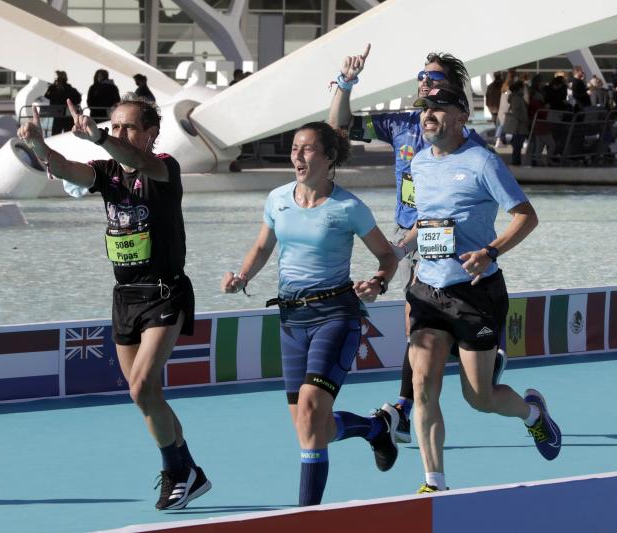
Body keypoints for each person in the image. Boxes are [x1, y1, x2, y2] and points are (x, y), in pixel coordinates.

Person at [17, 94, 210, 511]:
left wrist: (102, 136)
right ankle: (190, 469)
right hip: (125, 297)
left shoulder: (164, 169)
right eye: (115, 125)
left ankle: (176, 470)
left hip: (164, 292)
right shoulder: (106, 172)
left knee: (141, 388)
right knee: (146, 394)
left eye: (128, 127)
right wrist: (35, 143)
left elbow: (136, 160)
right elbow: (65, 168)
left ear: (150, 133)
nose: (120, 133)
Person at [328, 45, 507, 446]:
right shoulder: (401, 124)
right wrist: (345, 82)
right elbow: (340, 127)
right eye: (421, 76)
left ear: (455, 93)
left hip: (455, 249)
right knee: (418, 326)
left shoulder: (470, 144)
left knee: (426, 327)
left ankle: (422, 397)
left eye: (434, 77)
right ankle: (411, 407)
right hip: (414, 236)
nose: (424, 81)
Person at [221, 121, 399, 506]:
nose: (297, 157)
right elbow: (263, 247)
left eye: (307, 149)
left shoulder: (349, 208)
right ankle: (374, 428)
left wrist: (379, 282)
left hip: (335, 315)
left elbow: (386, 254)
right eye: (294, 149)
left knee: (311, 408)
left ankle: (307, 516)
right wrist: (242, 275)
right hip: (290, 321)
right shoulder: (277, 199)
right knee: (309, 428)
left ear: (329, 157)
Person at [394, 85, 561, 493]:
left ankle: (533, 415)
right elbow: (426, 223)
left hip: (475, 292)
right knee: (422, 383)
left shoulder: (483, 162)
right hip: (428, 291)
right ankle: (434, 482)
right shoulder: (418, 163)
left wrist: (490, 251)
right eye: (423, 109)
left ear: (461, 116)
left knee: (480, 398)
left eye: (437, 108)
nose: (427, 115)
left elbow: (526, 216)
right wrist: (392, 258)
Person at [44, 70, 82, 135]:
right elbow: (78, 99)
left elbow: (47, 95)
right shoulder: (70, 89)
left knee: (56, 133)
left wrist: (52, 85)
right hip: (67, 114)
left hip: (57, 114)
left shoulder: (54, 88)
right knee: (68, 133)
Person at [503, 80, 529, 166]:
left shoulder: (516, 98)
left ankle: (516, 162)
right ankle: (516, 163)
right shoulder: (517, 98)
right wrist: (525, 121)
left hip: (518, 126)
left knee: (517, 146)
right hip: (518, 127)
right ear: (520, 88)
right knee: (517, 146)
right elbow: (517, 112)